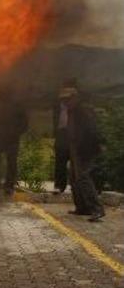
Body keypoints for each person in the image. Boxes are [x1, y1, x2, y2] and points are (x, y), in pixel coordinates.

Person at [61, 87, 105, 222]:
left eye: (67, 99)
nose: (65, 102)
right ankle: (82, 208)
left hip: (85, 149)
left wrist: (98, 144)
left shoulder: (83, 110)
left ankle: (97, 209)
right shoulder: (72, 110)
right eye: (63, 99)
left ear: (75, 97)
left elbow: (92, 130)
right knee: (74, 178)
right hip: (75, 148)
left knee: (83, 178)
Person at [0, 88, 28, 196]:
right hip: (0, 138)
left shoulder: (17, 108)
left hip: (11, 139)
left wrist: (16, 132)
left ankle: (8, 185)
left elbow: (24, 123)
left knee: (11, 163)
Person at [52, 89, 71, 194]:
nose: (65, 100)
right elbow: (55, 121)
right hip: (61, 135)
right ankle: (59, 186)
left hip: (73, 136)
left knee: (76, 163)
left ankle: (76, 186)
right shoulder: (57, 107)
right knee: (60, 162)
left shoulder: (75, 109)